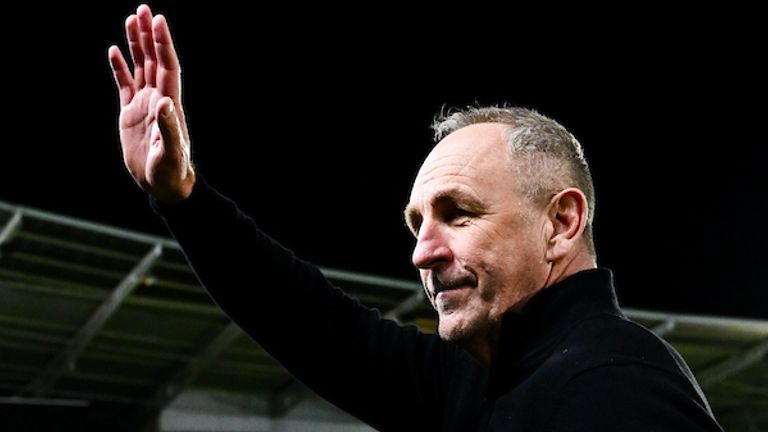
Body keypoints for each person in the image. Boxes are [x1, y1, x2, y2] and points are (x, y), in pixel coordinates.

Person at [108, 5, 724, 431]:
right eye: (416, 223)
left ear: (560, 223)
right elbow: (314, 326)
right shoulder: (480, 378)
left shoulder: (613, 385)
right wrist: (182, 196)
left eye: (458, 214)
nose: (422, 253)